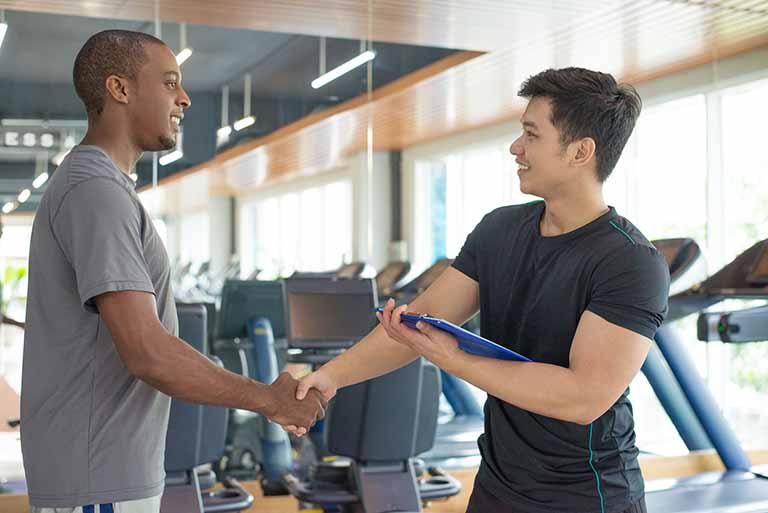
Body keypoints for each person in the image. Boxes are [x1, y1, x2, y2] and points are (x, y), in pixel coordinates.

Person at [295, 68, 670, 513]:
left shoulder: (630, 261)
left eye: (531, 135)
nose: (516, 148)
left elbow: (582, 397)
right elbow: (420, 321)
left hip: (585, 494)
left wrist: (453, 358)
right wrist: (331, 377)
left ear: (580, 151)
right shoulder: (499, 229)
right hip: (498, 484)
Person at [20, 30, 325, 513]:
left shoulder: (105, 188)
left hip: (106, 472)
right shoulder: (95, 192)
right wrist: (268, 398)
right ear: (120, 89)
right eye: (169, 83)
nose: (183, 98)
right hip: (98, 478)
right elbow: (147, 352)